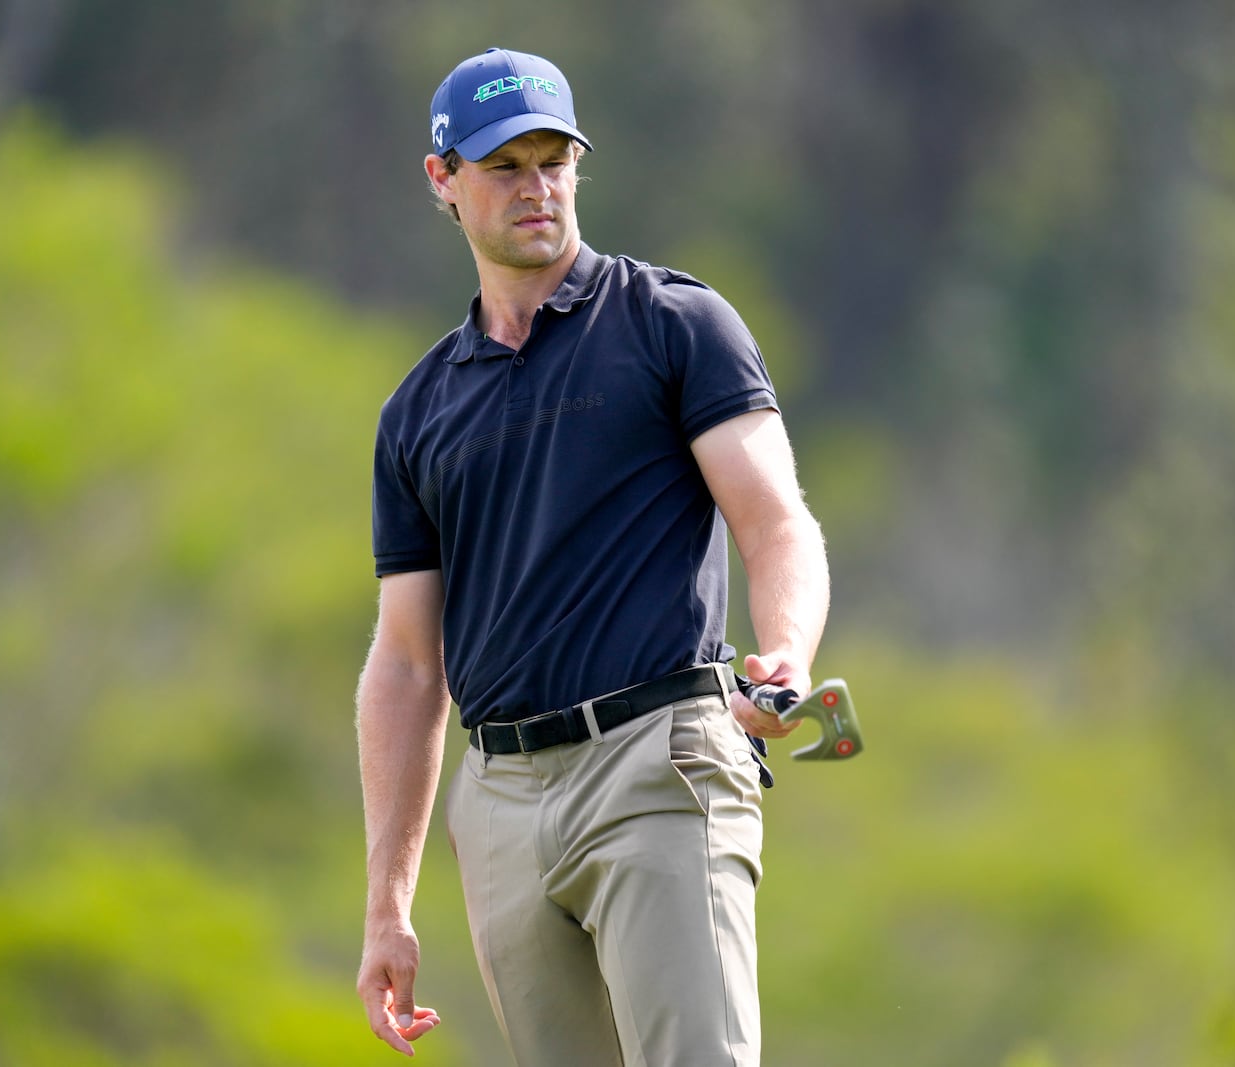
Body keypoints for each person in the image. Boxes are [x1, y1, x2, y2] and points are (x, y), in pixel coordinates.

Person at [354, 46, 829, 1066]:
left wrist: (784, 648)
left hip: (658, 759)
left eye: (553, 161)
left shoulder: (672, 322)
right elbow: (404, 663)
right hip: (502, 803)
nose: (537, 188)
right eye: (505, 166)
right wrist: (387, 907)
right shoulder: (419, 410)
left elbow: (775, 520)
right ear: (443, 179)